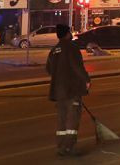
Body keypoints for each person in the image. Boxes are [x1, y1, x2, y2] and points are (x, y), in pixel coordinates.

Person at [46, 24, 91, 157]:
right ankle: (69, 147)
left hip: (58, 91)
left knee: (61, 120)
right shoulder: (71, 48)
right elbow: (77, 67)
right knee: (72, 120)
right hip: (71, 90)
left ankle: (61, 146)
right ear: (67, 33)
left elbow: (49, 69)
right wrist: (86, 80)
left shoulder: (54, 50)